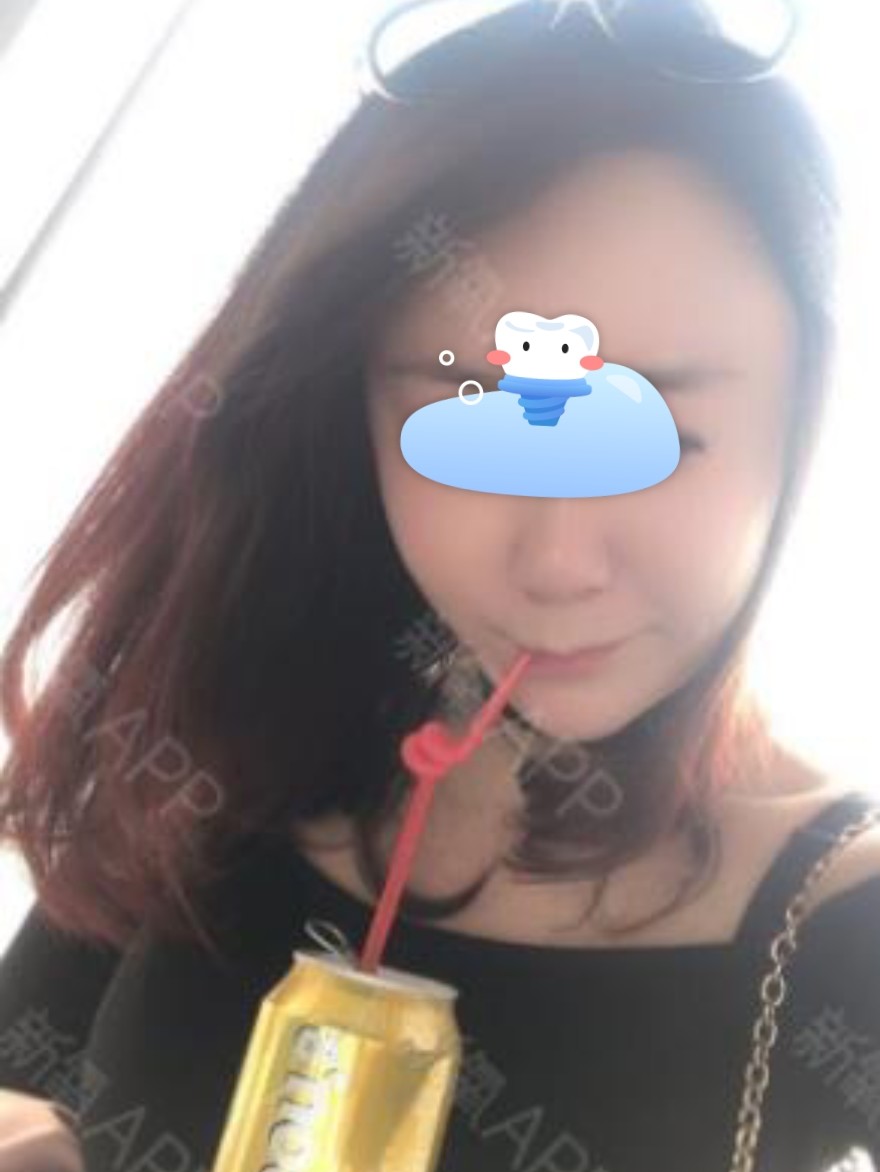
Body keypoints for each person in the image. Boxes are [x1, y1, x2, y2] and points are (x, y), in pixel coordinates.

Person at [1, 2, 878, 1170]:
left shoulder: (842, 921)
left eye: (662, 434)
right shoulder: (237, 733)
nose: (558, 561)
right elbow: (26, 1058)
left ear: (798, 416)